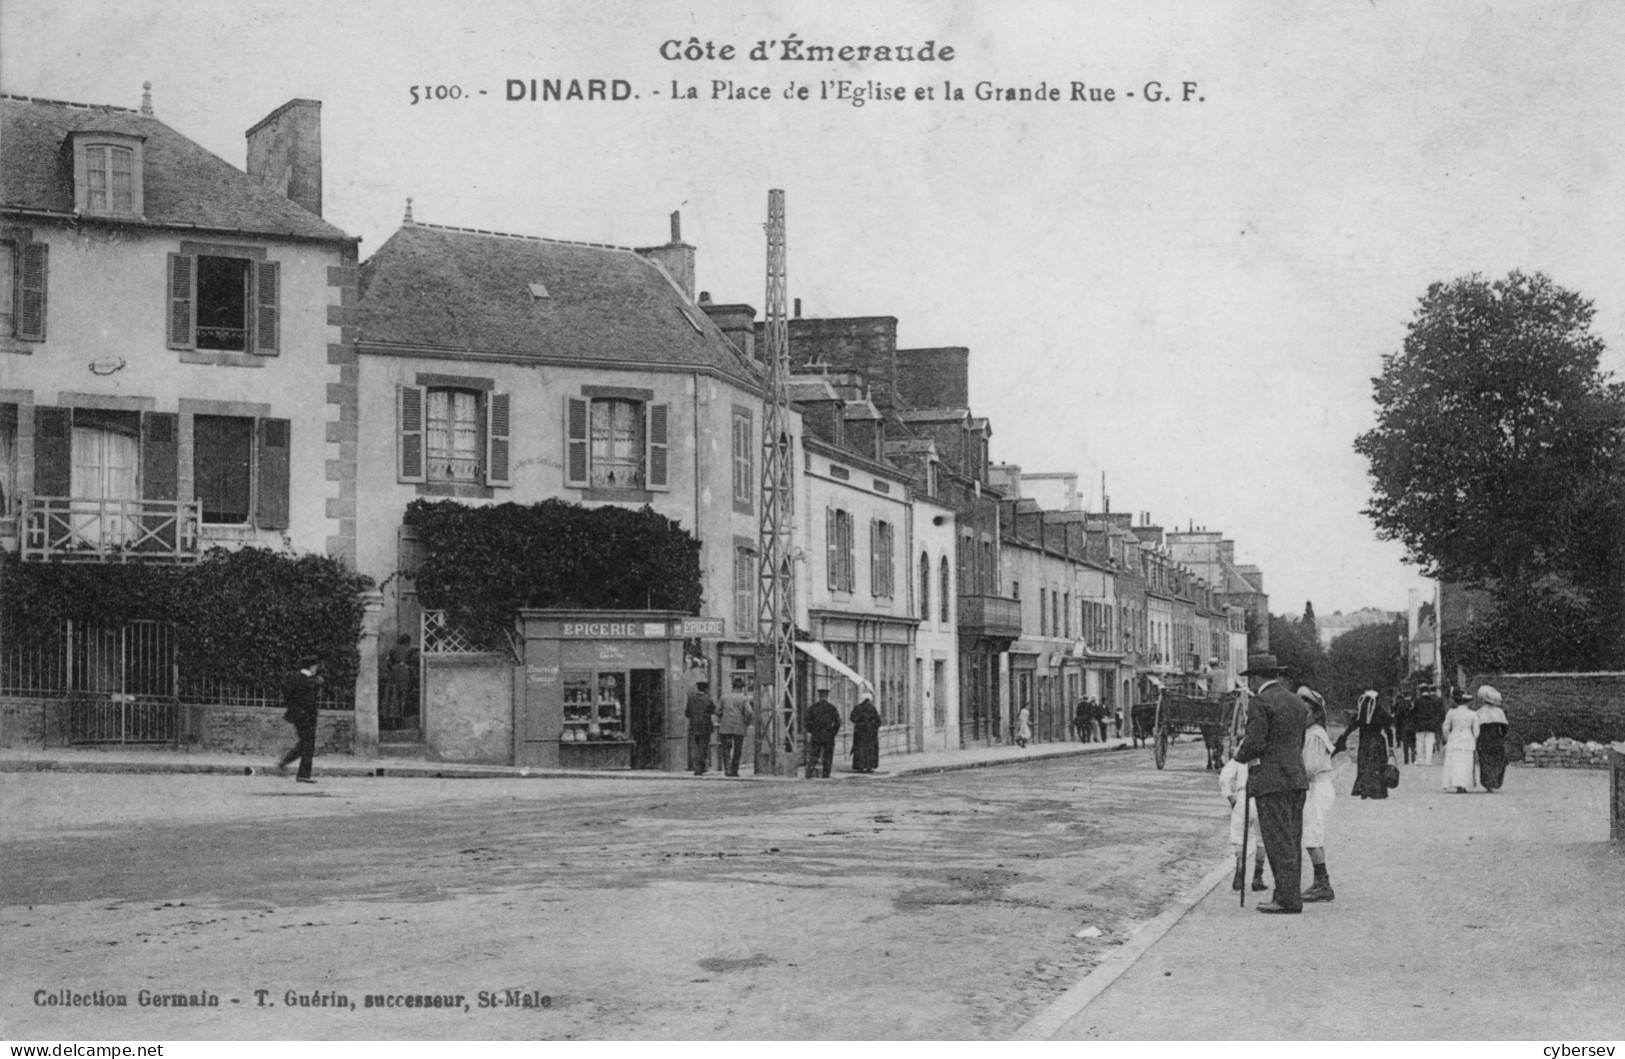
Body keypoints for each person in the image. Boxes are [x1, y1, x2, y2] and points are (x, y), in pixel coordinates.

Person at [1232, 653, 1310, 914]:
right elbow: (1297, 741)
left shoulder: (1260, 702)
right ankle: (1289, 893)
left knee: (1277, 840)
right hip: (1296, 778)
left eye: (1250, 678)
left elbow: (1255, 742)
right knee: (1292, 838)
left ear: (1256, 677)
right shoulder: (1296, 701)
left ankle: (1287, 899)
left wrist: (1237, 755)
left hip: (1271, 781)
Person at [1298, 686, 1337, 903]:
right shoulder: (1312, 733)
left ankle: (1323, 884)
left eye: (1306, 713)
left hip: (1317, 787)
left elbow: (1310, 768)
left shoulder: (1315, 735)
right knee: (1314, 834)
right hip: (1318, 787)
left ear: (1315, 713)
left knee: (1312, 836)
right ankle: (1320, 881)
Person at [1219, 752, 1267, 893]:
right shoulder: (1268, 747)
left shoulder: (1243, 751)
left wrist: (1230, 798)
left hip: (1242, 797)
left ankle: (1240, 866)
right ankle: (1257, 878)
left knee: (1239, 838)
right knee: (1261, 840)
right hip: (1261, 798)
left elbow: (1224, 778)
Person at [1333, 690, 1393, 799]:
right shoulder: (1380, 711)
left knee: (1364, 765)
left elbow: (1352, 726)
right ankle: (1377, 790)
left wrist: (1344, 736)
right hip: (1378, 742)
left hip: (1364, 741)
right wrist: (1391, 746)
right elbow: (1388, 729)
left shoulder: (1362, 711)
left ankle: (1364, 789)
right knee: (1377, 766)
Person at [275, 654, 324, 784]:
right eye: (315, 666)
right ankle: (301, 774)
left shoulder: (294, 678)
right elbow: (311, 694)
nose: (316, 669)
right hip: (306, 717)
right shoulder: (309, 681)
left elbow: (286, 692)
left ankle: (286, 763)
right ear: (311, 666)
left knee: (305, 744)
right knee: (308, 744)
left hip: (297, 716)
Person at [1440, 689, 1480, 793]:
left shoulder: (1451, 712)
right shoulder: (1473, 714)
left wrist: (1448, 738)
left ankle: (1456, 783)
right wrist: (1473, 739)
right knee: (1466, 763)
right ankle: (1465, 784)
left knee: (1454, 762)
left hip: (1454, 738)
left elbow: (1445, 728)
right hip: (1467, 739)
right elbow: (1476, 730)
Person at [1474, 685, 1510, 792]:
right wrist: (1502, 736)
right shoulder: (1499, 712)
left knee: (1485, 760)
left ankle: (1488, 783)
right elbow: (1505, 727)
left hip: (1484, 738)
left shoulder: (1479, 711)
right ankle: (1494, 781)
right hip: (1496, 737)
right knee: (1497, 760)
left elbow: (1477, 727)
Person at [717, 676, 753, 778]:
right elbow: (749, 712)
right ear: (742, 687)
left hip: (726, 725)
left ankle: (727, 769)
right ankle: (734, 770)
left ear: (732, 686)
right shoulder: (743, 698)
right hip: (739, 725)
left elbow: (717, 711)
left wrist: (724, 716)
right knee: (738, 749)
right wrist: (747, 722)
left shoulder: (724, 697)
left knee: (726, 748)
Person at [804, 688, 841, 779]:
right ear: (827, 696)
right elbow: (838, 722)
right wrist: (833, 732)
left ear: (819, 696)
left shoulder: (813, 707)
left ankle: (810, 773)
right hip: (828, 735)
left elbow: (806, 721)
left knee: (814, 754)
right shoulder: (832, 708)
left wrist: (811, 730)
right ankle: (826, 774)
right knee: (828, 756)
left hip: (816, 735)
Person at [382, 633, 416, 725]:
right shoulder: (410, 650)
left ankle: (390, 719)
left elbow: (388, 663)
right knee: (403, 695)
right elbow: (413, 663)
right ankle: (400, 719)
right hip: (405, 673)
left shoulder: (393, 649)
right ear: (408, 641)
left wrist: (393, 667)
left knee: (393, 695)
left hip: (394, 673)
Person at [685, 680, 717, 776]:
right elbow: (713, 711)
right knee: (703, 747)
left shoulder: (691, 700)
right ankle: (698, 768)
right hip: (705, 727)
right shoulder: (708, 700)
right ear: (706, 689)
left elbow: (687, 713)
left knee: (697, 746)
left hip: (694, 726)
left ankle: (701, 767)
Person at [1413, 684, 1445, 766]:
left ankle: (1420, 760)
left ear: (1420, 691)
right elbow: (1438, 712)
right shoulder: (1433, 701)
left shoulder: (1417, 701)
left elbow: (1414, 714)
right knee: (1429, 743)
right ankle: (1428, 760)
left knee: (1420, 743)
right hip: (1431, 725)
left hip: (1420, 726)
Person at [851, 694, 882, 772]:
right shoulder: (872, 708)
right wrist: (874, 726)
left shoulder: (857, 707)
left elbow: (852, 718)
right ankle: (869, 766)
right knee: (870, 749)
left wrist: (859, 722)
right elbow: (878, 721)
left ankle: (859, 766)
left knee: (860, 748)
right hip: (870, 731)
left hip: (860, 731)